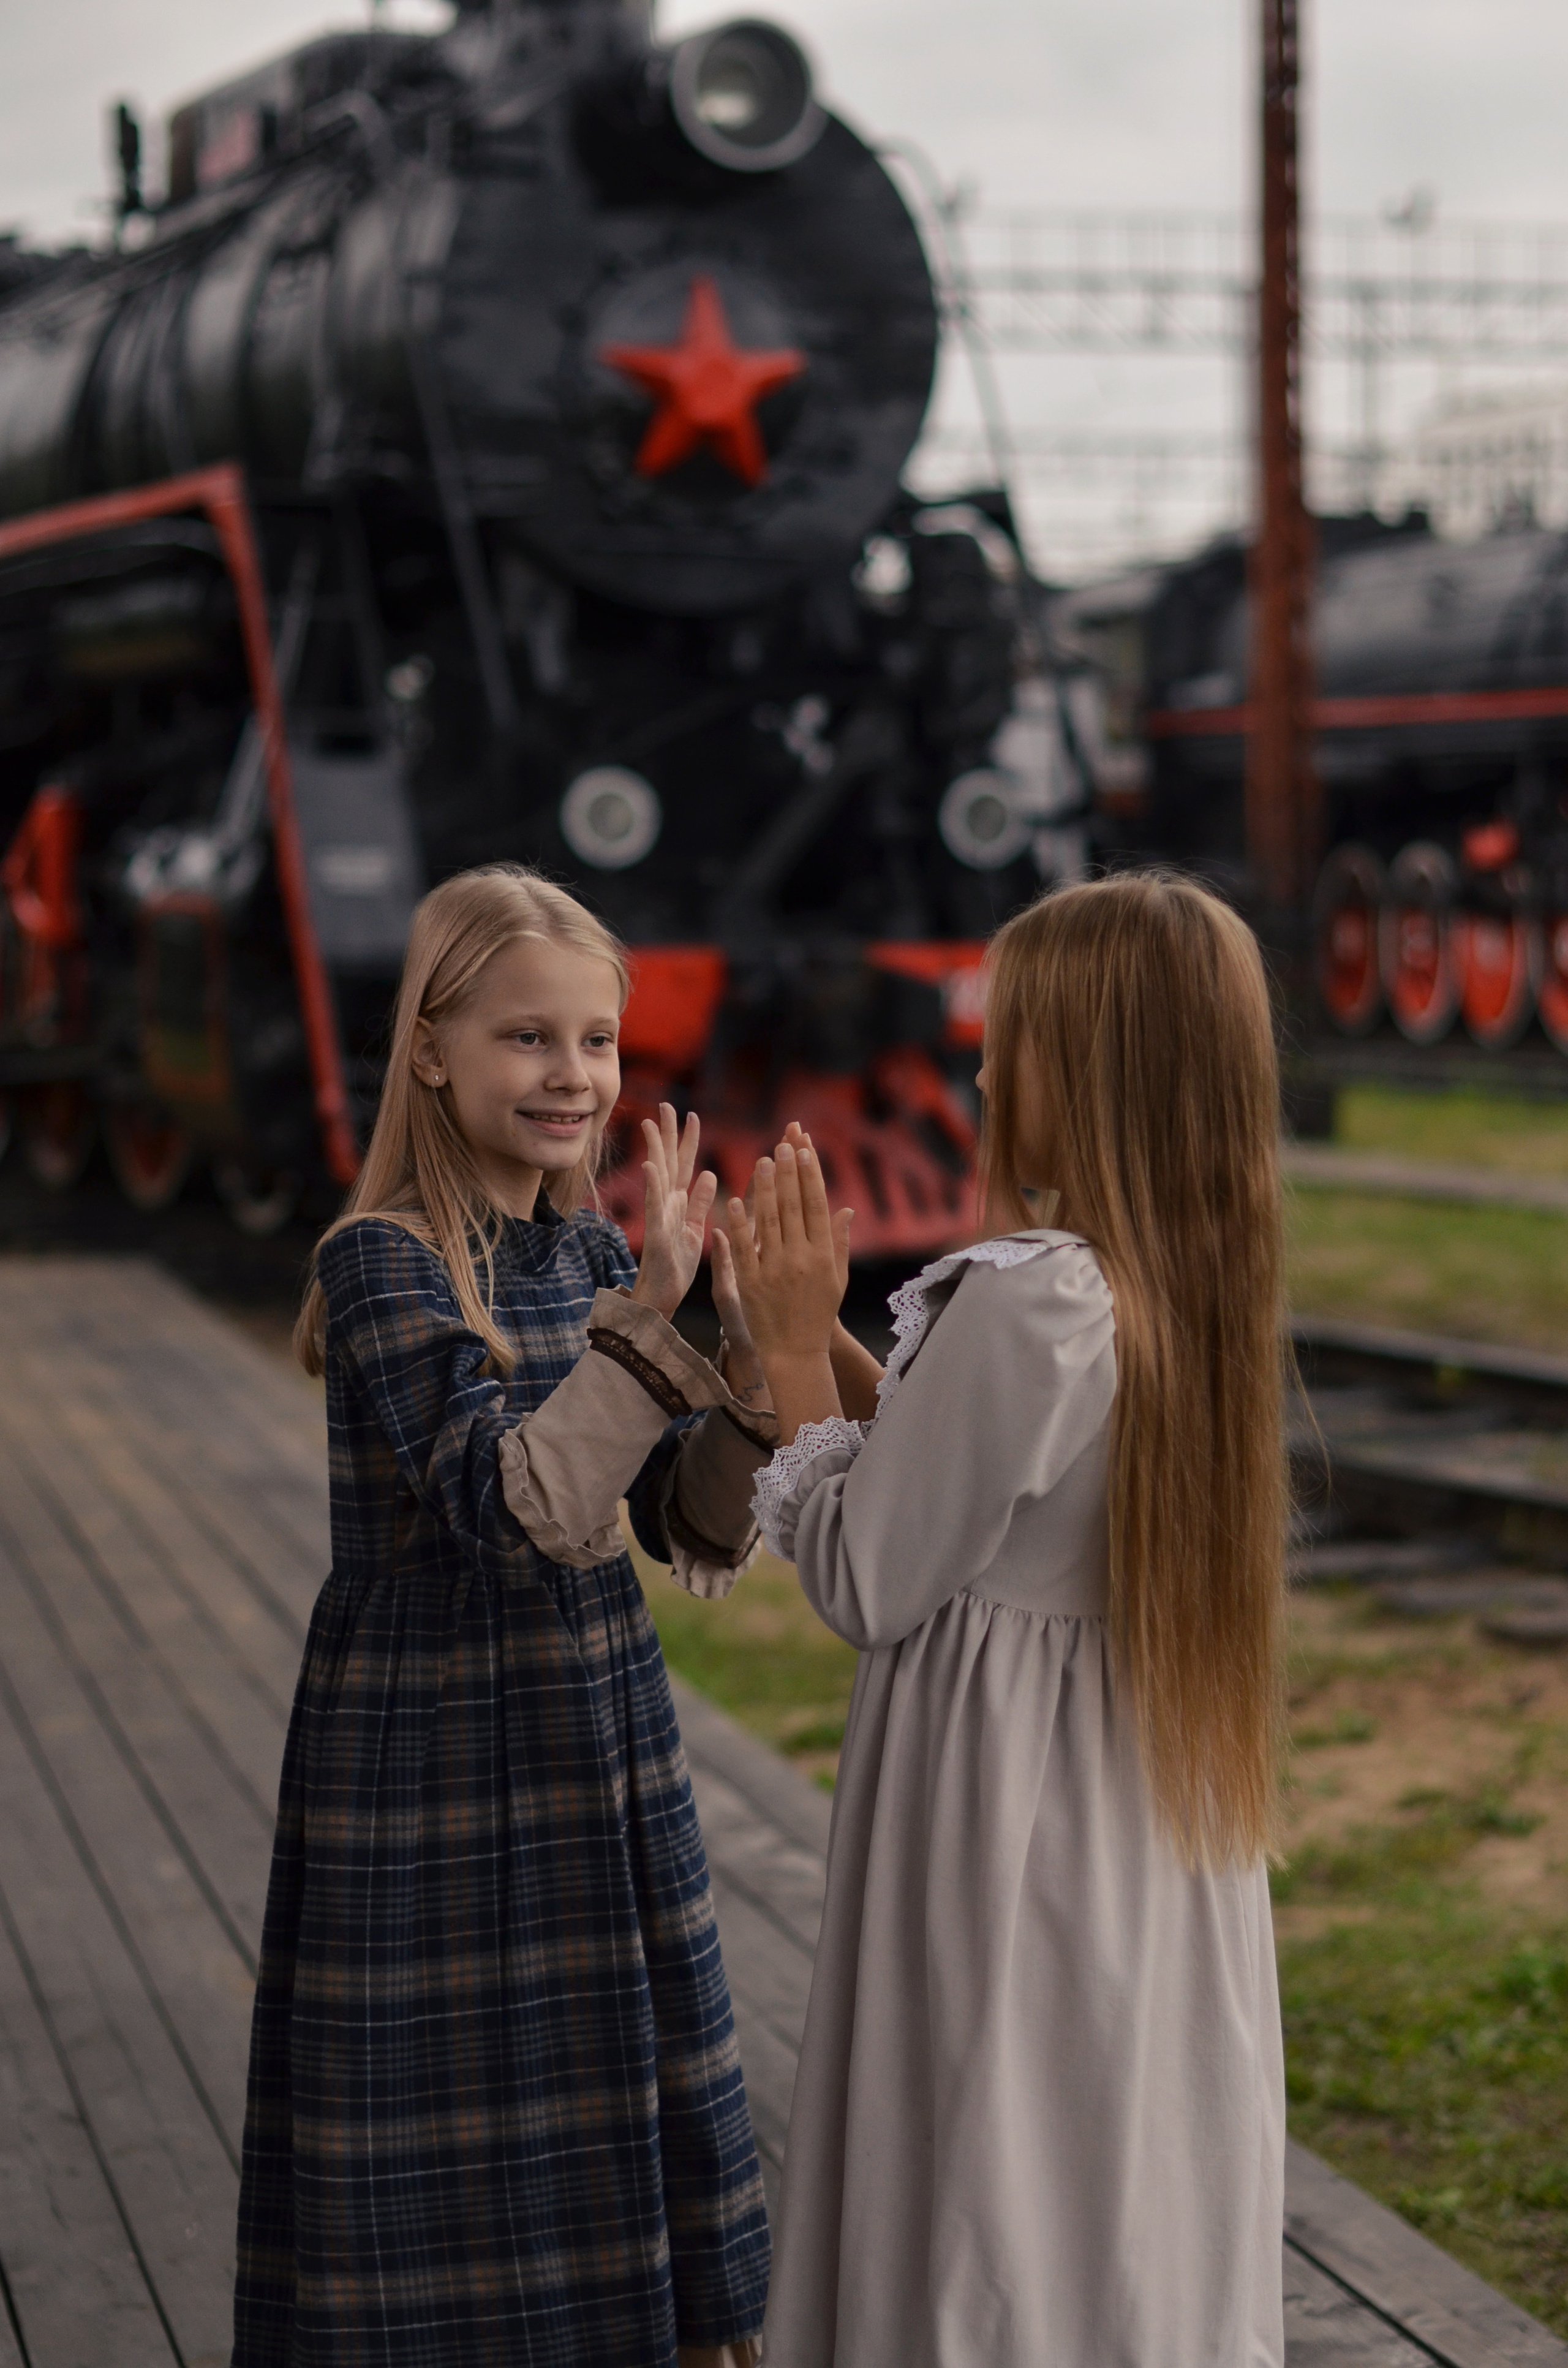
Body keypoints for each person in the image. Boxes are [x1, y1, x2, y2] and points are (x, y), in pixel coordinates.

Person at [718, 873, 1289, 2368]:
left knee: (991, 2173)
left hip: (1003, 1834)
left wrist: (781, 1345)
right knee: (1103, 2177)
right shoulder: (1172, 1286)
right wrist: (825, 1336)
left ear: (1088, 1067)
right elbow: (956, 1462)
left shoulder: (1035, 1298)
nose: (977, 1067)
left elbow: (865, 1569)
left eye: (1009, 1035)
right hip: (1123, 1822)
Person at [234, 864, 774, 2368]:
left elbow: (685, 1522)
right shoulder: (379, 1264)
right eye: (527, 1037)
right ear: (430, 1048)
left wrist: (744, 1358)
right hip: (429, 1761)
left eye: (596, 1041)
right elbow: (520, 1501)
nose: (573, 1076)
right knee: (440, 2151)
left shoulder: (592, 1256)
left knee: (610, 2100)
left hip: (591, 1737)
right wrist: (652, 1323)